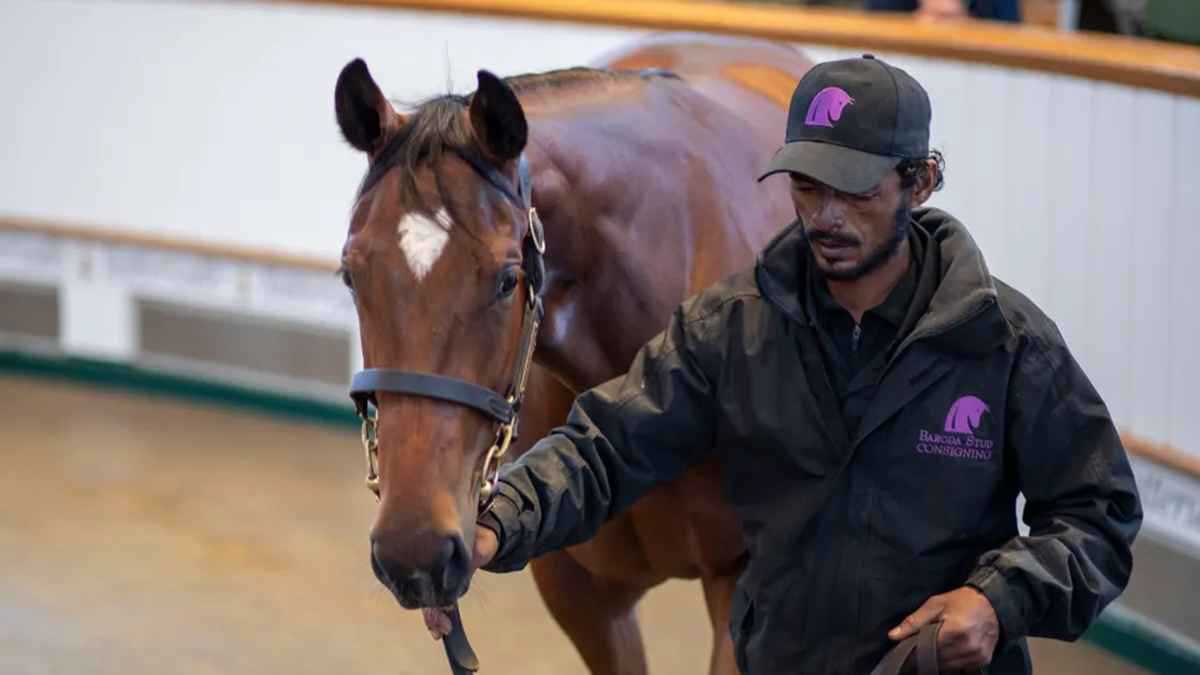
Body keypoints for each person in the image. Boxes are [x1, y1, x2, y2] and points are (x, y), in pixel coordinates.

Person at [424, 55, 1142, 674]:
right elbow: (610, 443)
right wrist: (500, 519)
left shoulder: (1007, 344)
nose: (826, 215)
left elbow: (1097, 514)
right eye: (807, 185)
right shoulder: (733, 326)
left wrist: (996, 600)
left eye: (855, 189)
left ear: (920, 182)